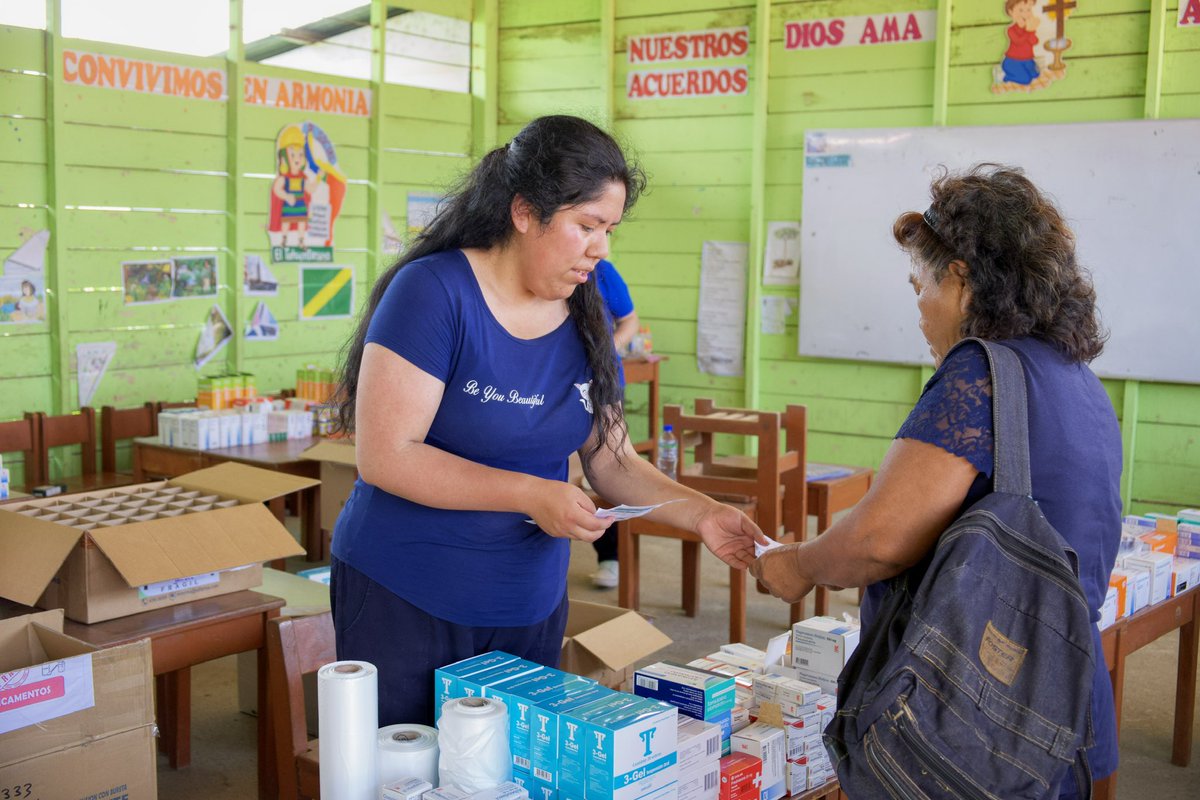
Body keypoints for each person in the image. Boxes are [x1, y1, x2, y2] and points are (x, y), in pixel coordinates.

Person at [331, 115, 766, 727]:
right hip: (408, 590)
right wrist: (530, 493)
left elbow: (612, 459)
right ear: (525, 212)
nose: (601, 248)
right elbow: (386, 454)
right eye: (586, 226)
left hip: (527, 600)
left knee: (513, 774)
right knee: (410, 775)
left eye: (609, 230)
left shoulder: (585, 316)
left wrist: (702, 513)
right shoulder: (433, 292)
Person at [751, 164, 1121, 797]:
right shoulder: (1078, 379)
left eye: (918, 284)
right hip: (1058, 704)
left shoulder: (980, 373)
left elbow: (879, 539)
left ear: (961, 280)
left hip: (975, 724)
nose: (919, 309)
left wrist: (797, 565)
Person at [589, 259, 640, 589]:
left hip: (603, 380)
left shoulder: (604, 271)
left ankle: (611, 556)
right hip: (557, 381)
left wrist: (609, 349)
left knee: (609, 466)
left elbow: (630, 320)